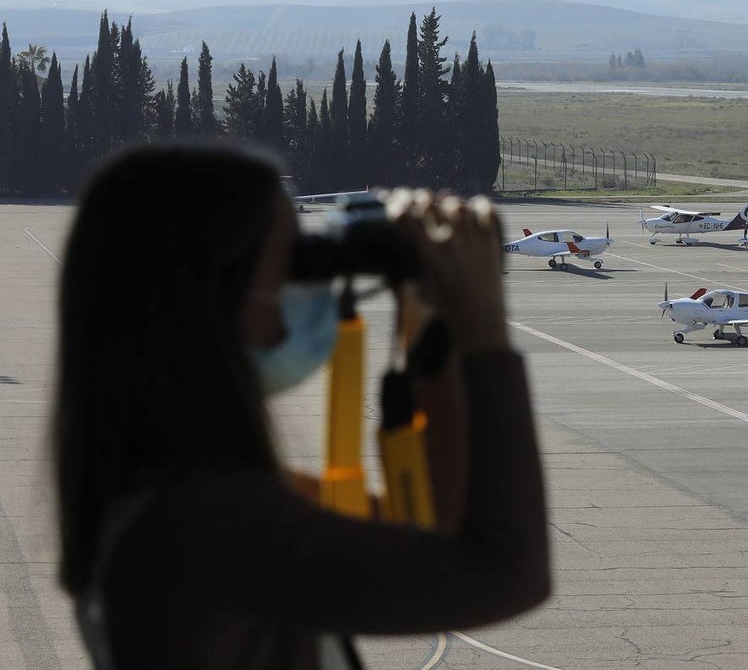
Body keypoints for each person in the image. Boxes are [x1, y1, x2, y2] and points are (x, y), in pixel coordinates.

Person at [52, 142, 550, 669]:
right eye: (294, 263)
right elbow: (505, 573)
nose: (310, 284)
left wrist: (432, 321)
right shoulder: (210, 523)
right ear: (213, 298)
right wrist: (485, 336)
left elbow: (426, 532)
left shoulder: (162, 490)